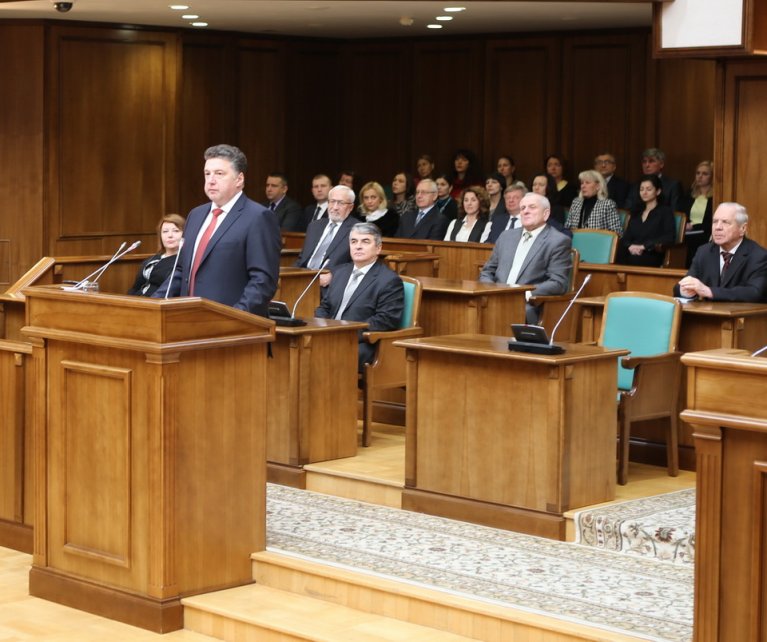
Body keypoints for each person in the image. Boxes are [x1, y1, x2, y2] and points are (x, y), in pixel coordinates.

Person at [154, 144, 281, 318]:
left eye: (219, 173)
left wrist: (233, 317)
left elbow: (263, 281)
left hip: (231, 324)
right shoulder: (196, 215)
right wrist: (154, 304)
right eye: (207, 173)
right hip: (187, 319)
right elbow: (182, 270)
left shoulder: (258, 217)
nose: (211, 180)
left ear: (239, 179)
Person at [315, 222, 404, 372]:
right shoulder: (340, 272)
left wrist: (346, 334)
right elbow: (325, 307)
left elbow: (385, 320)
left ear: (378, 248)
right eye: (354, 241)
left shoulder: (389, 280)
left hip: (362, 342)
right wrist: (322, 328)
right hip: (329, 336)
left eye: (365, 241)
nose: (358, 246)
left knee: (327, 356)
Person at [480, 192, 572, 324]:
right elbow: (487, 271)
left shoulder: (557, 241)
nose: (525, 211)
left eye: (532, 207)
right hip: (495, 298)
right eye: (522, 208)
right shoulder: (506, 236)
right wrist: (492, 290)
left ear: (546, 214)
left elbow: (558, 283)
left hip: (527, 304)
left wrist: (524, 294)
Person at [675, 202, 767, 302]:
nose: (718, 227)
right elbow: (681, 286)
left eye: (725, 222)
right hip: (709, 311)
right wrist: (685, 290)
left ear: (742, 228)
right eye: (715, 221)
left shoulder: (758, 256)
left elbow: (755, 292)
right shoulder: (704, 252)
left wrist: (710, 292)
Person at [294, 185, 357, 284]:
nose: (335, 207)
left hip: (331, 284)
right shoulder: (314, 226)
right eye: (332, 201)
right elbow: (302, 258)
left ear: (351, 207)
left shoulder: (357, 229)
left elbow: (359, 263)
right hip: (304, 277)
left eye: (341, 203)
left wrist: (334, 275)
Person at [618, 174, 675, 267]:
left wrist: (644, 246)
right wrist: (630, 246)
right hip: (632, 251)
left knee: (634, 260)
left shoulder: (665, 212)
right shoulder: (636, 212)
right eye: (641, 189)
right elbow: (627, 237)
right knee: (617, 255)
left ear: (658, 191)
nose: (644, 192)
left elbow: (668, 237)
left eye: (648, 189)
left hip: (651, 252)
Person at [128, 213, 186, 296]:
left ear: (184, 234)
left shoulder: (183, 261)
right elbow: (135, 288)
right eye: (165, 231)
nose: (170, 235)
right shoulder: (152, 259)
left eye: (176, 231)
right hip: (138, 301)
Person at [566, 169, 623, 236]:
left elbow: (616, 232)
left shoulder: (607, 204)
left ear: (598, 186)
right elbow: (567, 227)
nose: (583, 186)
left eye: (587, 183)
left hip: (598, 241)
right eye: (582, 183)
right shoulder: (576, 203)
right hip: (575, 241)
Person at [678, 160, 714, 266]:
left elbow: (712, 220)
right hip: (688, 233)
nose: (700, 176)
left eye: (705, 174)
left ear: (712, 177)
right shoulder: (689, 194)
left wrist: (693, 226)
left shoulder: (715, 197)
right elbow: (681, 213)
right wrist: (686, 224)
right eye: (698, 173)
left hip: (705, 233)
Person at [625, 148, 682, 213]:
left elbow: (675, 213)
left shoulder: (673, 185)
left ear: (661, 164)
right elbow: (627, 209)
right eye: (644, 162)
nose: (647, 165)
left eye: (651, 161)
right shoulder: (635, 185)